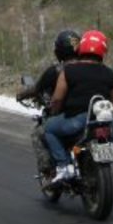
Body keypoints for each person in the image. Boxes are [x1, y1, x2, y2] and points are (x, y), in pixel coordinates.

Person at [43, 30, 113, 183]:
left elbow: (57, 99)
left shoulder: (68, 71)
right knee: (112, 125)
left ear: (81, 47)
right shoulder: (110, 73)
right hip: (104, 122)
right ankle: (109, 158)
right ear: (103, 50)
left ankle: (64, 166)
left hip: (77, 121)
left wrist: (54, 112)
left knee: (49, 129)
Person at [16, 29, 80, 173]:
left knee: (40, 133)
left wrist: (21, 95)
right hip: (87, 116)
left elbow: (36, 89)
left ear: (59, 50)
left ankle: (49, 169)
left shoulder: (56, 71)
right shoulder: (89, 67)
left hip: (65, 117)